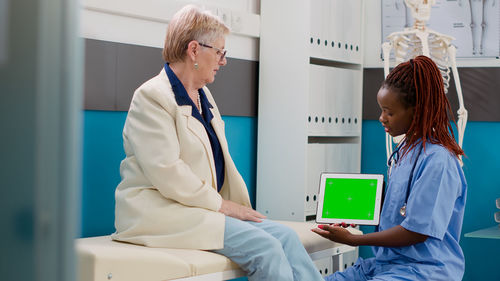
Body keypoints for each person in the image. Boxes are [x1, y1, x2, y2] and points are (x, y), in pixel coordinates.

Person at [111, 5, 323, 281]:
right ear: (194, 50)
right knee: (265, 247)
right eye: (220, 52)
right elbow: (168, 173)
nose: (223, 61)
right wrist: (224, 206)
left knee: (286, 237)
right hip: (159, 213)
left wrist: (231, 207)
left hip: (197, 209)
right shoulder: (151, 97)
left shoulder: (204, 95)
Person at [313, 55, 467, 281]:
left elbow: (416, 231)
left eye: (390, 112)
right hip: (386, 264)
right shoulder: (405, 152)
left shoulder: (439, 161)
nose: (381, 118)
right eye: (382, 110)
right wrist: (360, 214)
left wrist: (354, 240)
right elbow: (399, 209)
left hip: (424, 270)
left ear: (416, 110)